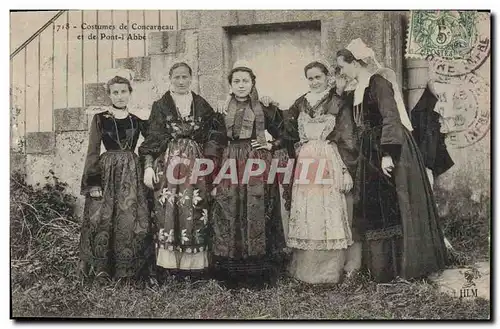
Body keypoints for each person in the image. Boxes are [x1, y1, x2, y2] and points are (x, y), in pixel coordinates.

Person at [335, 38, 447, 283]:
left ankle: (402, 266)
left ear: (355, 63)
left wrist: (388, 154)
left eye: (342, 67)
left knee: (395, 204)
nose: (341, 72)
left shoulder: (379, 82)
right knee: (376, 206)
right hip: (370, 151)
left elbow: (390, 117)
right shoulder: (357, 89)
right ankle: (382, 268)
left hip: (391, 147)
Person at [275, 61, 361, 284]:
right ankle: (307, 271)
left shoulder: (337, 102)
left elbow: (347, 136)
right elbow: (286, 128)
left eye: (318, 78)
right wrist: (268, 104)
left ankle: (330, 271)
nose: (314, 82)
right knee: (308, 210)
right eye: (310, 78)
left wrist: (345, 169)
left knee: (328, 211)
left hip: (329, 160)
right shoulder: (301, 103)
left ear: (327, 78)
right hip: (306, 162)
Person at [138, 62, 225, 281]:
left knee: (195, 208)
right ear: (170, 78)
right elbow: (153, 136)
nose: (181, 81)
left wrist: (211, 164)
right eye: (176, 77)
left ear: (191, 78)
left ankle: (194, 267)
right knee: (169, 209)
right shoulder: (160, 105)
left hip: (196, 165)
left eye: (185, 77)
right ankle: (169, 267)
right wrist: (148, 166)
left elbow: (214, 134)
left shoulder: (201, 104)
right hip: (169, 165)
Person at [210, 61, 286, 289]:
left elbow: (284, 133)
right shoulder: (221, 109)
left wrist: (271, 145)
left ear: (253, 83)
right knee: (229, 212)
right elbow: (214, 140)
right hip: (230, 162)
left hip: (257, 163)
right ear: (230, 86)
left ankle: (259, 275)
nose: (241, 85)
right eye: (236, 81)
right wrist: (213, 173)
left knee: (258, 212)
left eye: (245, 81)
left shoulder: (265, 107)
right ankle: (231, 275)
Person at [79, 69, 154, 281]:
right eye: (115, 92)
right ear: (109, 95)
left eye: (123, 91)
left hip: (131, 172)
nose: (119, 96)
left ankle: (126, 270)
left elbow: (154, 140)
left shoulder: (137, 120)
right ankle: (102, 270)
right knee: (102, 219)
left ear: (130, 93)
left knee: (129, 219)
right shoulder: (100, 119)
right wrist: (93, 183)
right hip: (107, 171)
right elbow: (93, 150)